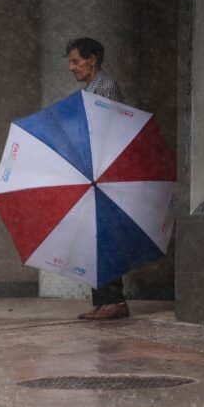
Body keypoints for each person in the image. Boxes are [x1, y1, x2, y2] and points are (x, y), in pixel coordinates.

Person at [65, 37, 129, 320]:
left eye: (75, 61)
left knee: (104, 237)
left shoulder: (104, 88)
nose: (71, 67)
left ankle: (114, 301)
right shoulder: (92, 89)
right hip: (96, 170)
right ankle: (104, 301)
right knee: (95, 237)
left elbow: (101, 130)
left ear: (93, 60)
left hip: (104, 171)